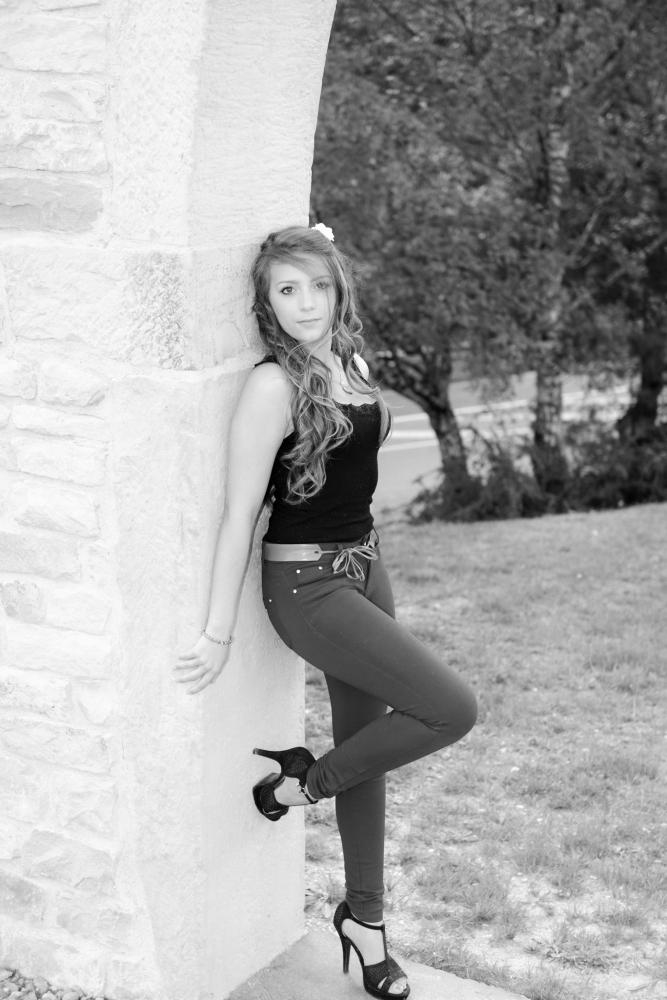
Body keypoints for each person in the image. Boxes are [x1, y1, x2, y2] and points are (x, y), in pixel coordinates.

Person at [173, 223, 478, 999]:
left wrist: (369, 564)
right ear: (266, 303)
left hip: (365, 567)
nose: (305, 303)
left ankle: (365, 924)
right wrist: (216, 631)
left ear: (338, 287)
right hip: (308, 589)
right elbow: (239, 513)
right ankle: (297, 788)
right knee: (451, 708)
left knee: (368, 750)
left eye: (317, 284)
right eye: (286, 289)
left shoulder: (351, 363)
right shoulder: (271, 386)